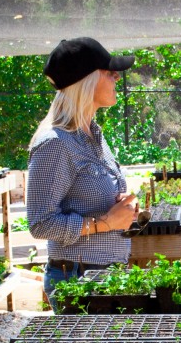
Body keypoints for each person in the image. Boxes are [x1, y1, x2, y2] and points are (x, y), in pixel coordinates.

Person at [27, 37, 140, 311]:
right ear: (86, 81)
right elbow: (40, 223)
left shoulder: (93, 135)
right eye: (109, 71)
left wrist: (123, 206)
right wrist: (105, 223)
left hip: (104, 276)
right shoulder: (55, 143)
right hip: (77, 280)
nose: (116, 77)